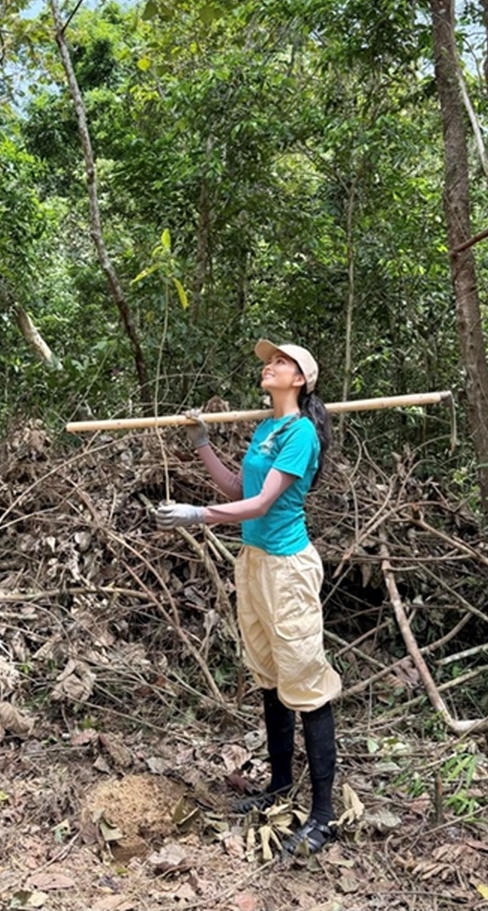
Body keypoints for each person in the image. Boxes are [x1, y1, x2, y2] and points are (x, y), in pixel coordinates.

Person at [155, 339, 342, 855]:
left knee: (306, 683)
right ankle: (279, 787)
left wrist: (196, 516)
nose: (270, 367)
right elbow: (239, 488)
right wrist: (202, 444)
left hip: (288, 570)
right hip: (254, 563)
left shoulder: (301, 433)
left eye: (280, 362)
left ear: (300, 379)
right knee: (270, 676)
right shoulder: (266, 429)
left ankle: (323, 816)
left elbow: (260, 504)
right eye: (269, 361)